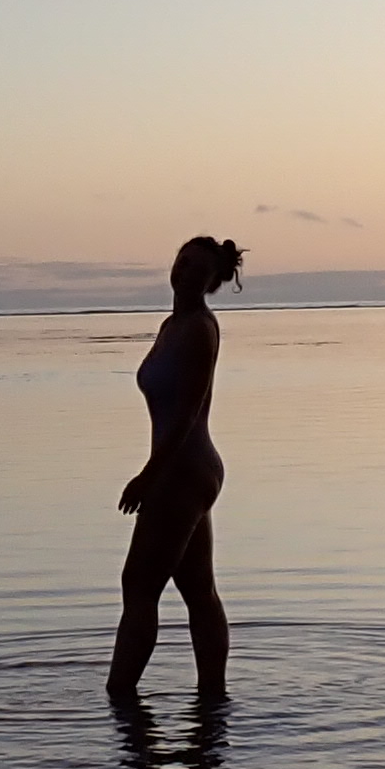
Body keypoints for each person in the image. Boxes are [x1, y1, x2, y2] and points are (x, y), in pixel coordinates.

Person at [108, 236, 241, 702]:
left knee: (139, 586)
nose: (183, 272)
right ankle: (213, 699)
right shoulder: (172, 325)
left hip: (182, 471)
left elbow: (186, 414)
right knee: (198, 590)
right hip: (186, 470)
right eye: (181, 263)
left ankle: (120, 695)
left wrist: (149, 475)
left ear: (212, 281)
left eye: (196, 269)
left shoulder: (200, 329)